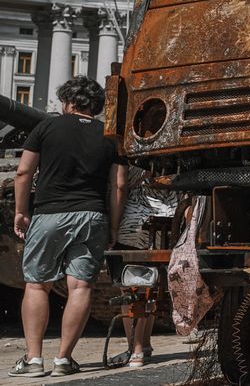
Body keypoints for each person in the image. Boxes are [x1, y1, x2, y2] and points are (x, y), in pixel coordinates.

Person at [8, 76, 127, 378]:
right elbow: (118, 186)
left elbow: (23, 172)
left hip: (50, 214)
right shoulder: (109, 136)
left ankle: (34, 360)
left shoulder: (46, 127)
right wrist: (113, 227)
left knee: (37, 284)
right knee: (81, 285)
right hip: (92, 216)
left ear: (68, 102)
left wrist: (21, 212)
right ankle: (63, 360)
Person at [106, 165, 177, 369]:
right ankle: (144, 344)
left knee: (131, 289)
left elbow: (120, 186)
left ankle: (135, 350)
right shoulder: (172, 160)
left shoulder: (131, 159)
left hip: (134, 226)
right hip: (168, 221)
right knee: (150, 286)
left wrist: (112, 226)